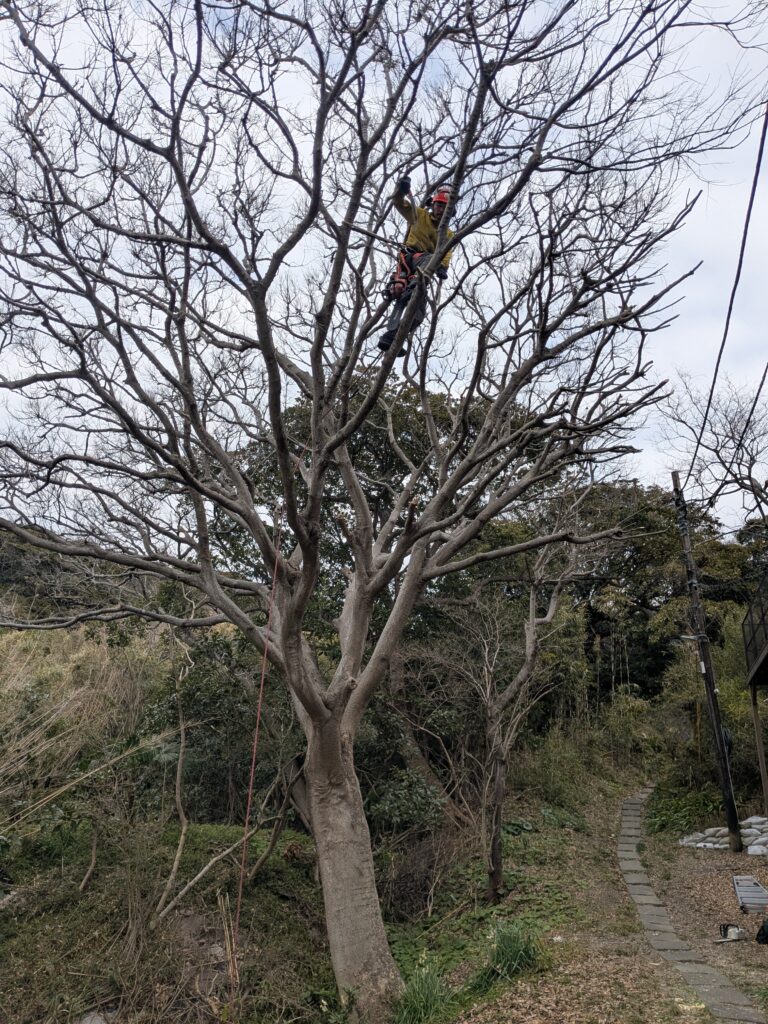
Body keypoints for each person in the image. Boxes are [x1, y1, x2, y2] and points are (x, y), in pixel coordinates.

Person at [378, 177, 454, 355]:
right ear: (432, 204)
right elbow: (398, 203)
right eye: (437, 205)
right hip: (411, 259)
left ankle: (392, 337)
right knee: (429, 259)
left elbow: (447, 253)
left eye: (443, 206)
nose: (439, 209)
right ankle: (409, 288)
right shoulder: (418, 214)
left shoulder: (448, 234)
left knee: (419, 313)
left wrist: (443, 267)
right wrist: (401, 190)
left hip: (425, 269)